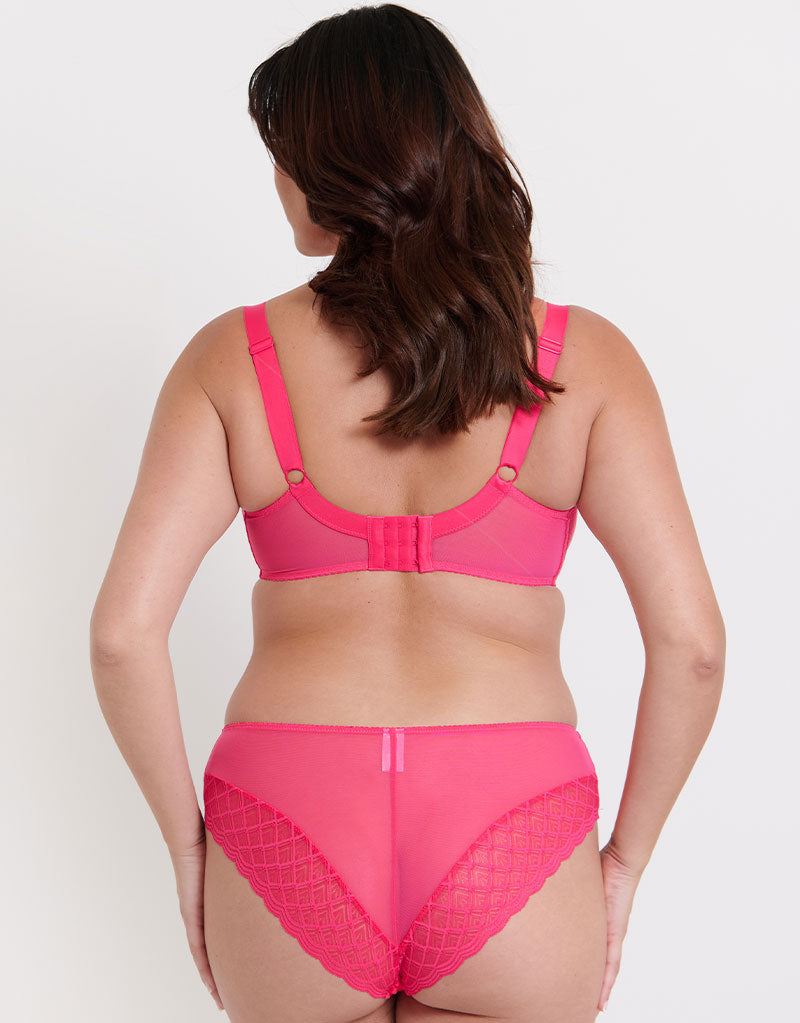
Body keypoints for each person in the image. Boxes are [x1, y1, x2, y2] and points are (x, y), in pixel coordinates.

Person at [89, 5, 726, 1022]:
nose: (276, 179)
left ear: (338, 165)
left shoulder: (232, 361)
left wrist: (188, 849)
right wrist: (623, 863)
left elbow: (123, 636)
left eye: (285, 154)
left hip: (289, 821)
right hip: (510, 825)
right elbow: (692, 647)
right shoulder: (583, 364)